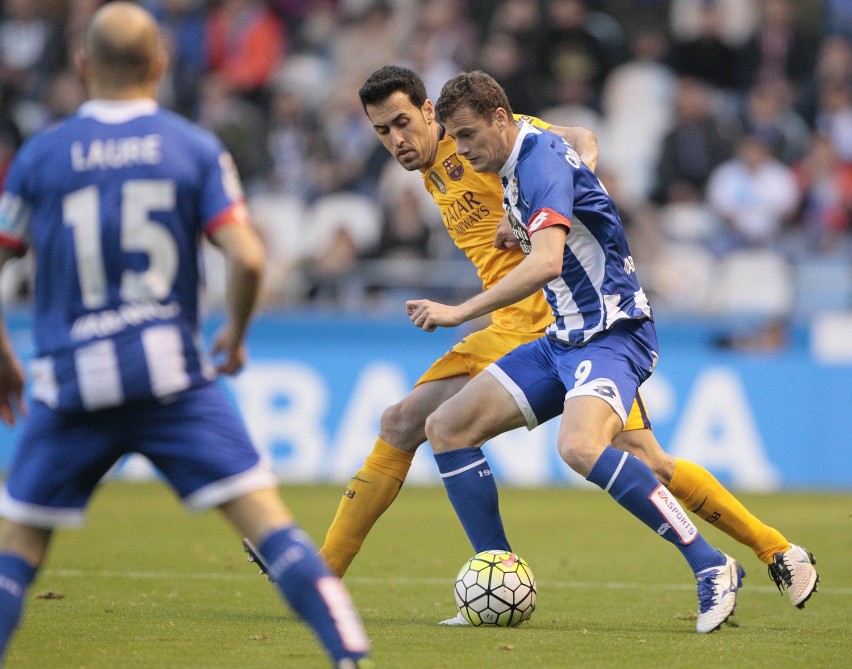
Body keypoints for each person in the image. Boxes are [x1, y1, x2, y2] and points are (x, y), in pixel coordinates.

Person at [319, 65, 818, 619]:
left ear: (431, 112)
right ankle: (774, 549)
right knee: (432, 425)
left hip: (555, 320)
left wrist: (556, 201)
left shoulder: (504, 143)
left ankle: (325, 574)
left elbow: (576, 143)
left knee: (599, 452)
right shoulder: (444, 160)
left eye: (403, 123)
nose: (396, 140)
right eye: (382, 131)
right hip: (548, 326)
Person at [0, 4, 371, 668]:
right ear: (161, 65)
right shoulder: (192, 147)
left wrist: (5, 361)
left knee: (18, 549)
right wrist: (233, 331)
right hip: (170, 375)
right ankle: (352, 656)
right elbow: (250, 257)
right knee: (270, 526)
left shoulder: (40, 156)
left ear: (83, 66)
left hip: (71, 379)